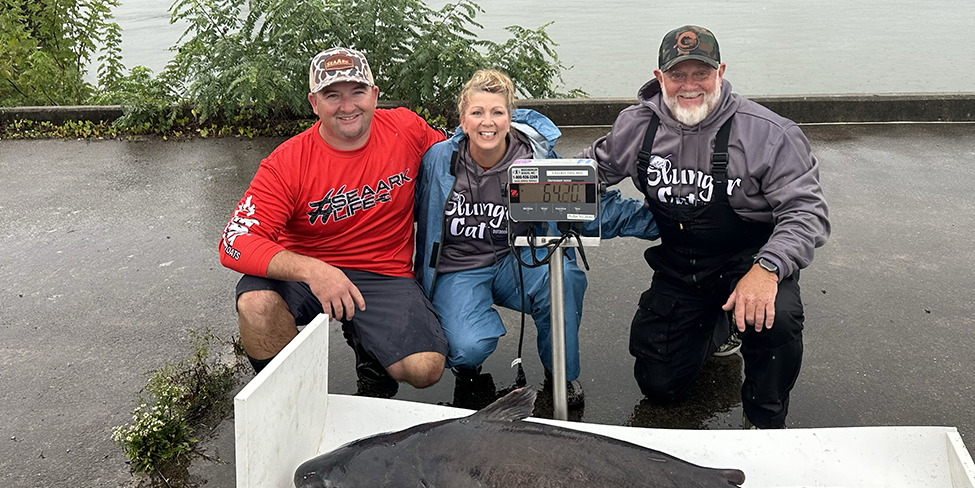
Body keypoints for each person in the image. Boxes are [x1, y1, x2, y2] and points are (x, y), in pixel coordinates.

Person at [578, 26, 830, 429]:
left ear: (721, 72)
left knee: (776, 317)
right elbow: (589, 172)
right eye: (678, 75)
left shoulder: (769, 133)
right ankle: (720, 323)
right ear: (660, 78)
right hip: (680, 261)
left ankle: (765, 418)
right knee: (658, 384)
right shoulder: (636, 126)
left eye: (701, 74)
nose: (689, 86)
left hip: (747, 258)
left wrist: (767, 270)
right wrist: (514, 178)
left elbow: (806, 212)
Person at [416, 70, 657, 408]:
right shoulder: (438, 160)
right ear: (462, 119)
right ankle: (468, 354)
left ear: (509, 117)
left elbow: (583, 206)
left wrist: (661, 221)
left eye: (497, 112)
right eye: (477, 112)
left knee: (565, 279)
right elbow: (400, 207)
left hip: (516, 258)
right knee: (466, 346)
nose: (488, 122)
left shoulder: (531, 159)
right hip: (459, 268)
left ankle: (561, 372)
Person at [219, 46, 449, 396]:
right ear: (314, 103)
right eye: (332, 95)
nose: (347, 106)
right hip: (309, 273)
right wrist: (315, 271)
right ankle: (292, 396)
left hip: (384, 272)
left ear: (374, 95)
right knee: (257, 306)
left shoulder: (407, 128)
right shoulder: (287, 163)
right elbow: (234, 242)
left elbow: (458, 157)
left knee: (425, 369)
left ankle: (367, 344)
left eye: (357, 92)